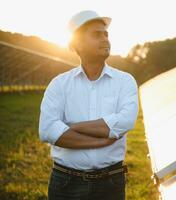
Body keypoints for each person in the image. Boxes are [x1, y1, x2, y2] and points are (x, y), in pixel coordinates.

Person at [38, 10, 139, 200]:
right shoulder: (59, 84)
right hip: (66, 184)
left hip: (111, 183)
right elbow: (47, 130)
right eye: (96, 34)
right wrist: (100, 141)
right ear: (77, 43)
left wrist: (71, 127)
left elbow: (125, 121)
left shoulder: (125, 81)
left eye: (106, 34)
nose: (105, 39)